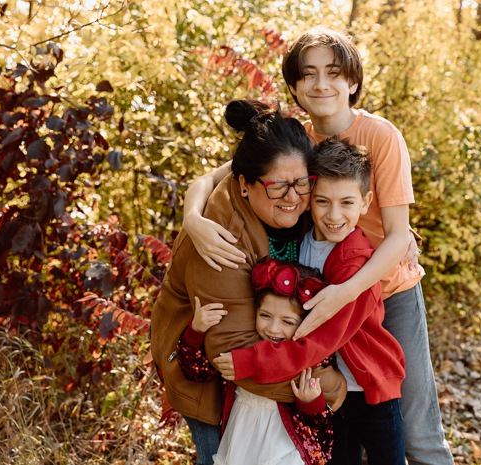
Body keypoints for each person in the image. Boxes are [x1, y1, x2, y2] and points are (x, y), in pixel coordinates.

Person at [182, 27, 454, 465]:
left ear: (353, 81)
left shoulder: (381, 136)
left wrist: (343, 294)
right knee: (337, 416)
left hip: (387, 291)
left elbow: (399, 235)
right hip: (320, 291)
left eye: (333, 72)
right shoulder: (298, 141)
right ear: (294, 86)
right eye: (308, 74)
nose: (321, 83)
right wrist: (192, 219)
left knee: (413, 426)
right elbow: (213, 178)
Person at [149, 99, 347, 465]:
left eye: (302, 183)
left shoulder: (294, 184)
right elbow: (231, 352)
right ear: (244, 185)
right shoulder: (221, 238)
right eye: (277, 188)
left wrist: (398, 237)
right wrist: (329, 387)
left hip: (272, 370)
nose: (293, 198)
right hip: (210, 381)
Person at [214, 137, 407, 465]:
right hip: (326, 391)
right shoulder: (297, 238)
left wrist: (254, 361)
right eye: (322, 202)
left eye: (347, 203)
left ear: (365, 202)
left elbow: (320, 339)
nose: (334, 215)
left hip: (370, 389)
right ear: (309, 198)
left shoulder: (356, 261)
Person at [177, 259, 336, 465]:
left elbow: (322, 438)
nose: (273, 329)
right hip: (240, 442)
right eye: (265, 316)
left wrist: (312, 404)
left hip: (285, 448)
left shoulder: (308, 361)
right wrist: (196, 331)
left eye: (287, 322)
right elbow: (197, 372)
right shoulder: (244, 348)